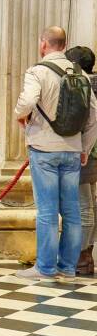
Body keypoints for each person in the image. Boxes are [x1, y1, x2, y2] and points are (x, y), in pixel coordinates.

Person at [13, 27, 97, 280]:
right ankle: (68, 268)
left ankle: (46, 268)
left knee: (48, 211)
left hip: (44, 148)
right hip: (72, 150)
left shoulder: (37, 71)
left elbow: (27, 101)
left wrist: (20, 115)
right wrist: (85, 148)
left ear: (43, 44)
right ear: (64, 44)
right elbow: (94, 115)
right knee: (71, 211)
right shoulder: (81, 73)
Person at [69, 46, 97, 275]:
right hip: (92, 152)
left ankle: (81, 255)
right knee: (90, 204)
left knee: (84, 206)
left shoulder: (83, 84)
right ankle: (86, 257)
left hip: (86, 152)